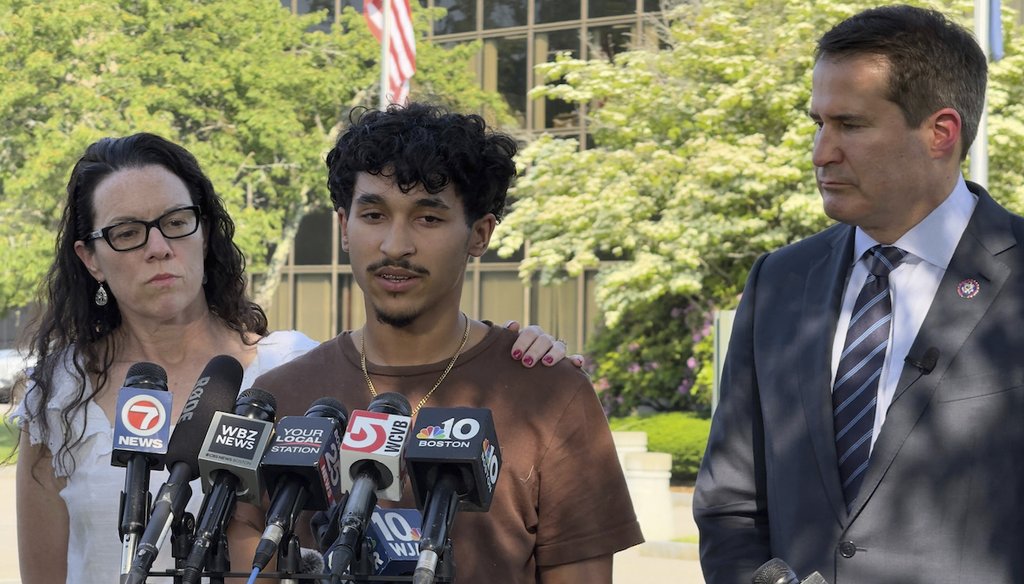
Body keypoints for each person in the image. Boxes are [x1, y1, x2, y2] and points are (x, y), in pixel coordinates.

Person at [10, 132, 571, 584]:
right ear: (92, 259)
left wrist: (512, 353)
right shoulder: (57, 397)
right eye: (128, 233)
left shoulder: (294, 367)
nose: (159, 247)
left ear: (205, 229)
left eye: (176, 222)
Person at [693, 5, 1024, 583]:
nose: (821, 152)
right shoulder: (779, 281)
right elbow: (731, 503)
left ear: (940, 133)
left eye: (850, 125)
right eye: (818, 123)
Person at [251, 103, 644, 583]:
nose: (395, 245)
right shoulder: (281, 398)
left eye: (428, 219)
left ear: (479, 234)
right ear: (344, 228)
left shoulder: (551, 395)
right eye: (373, 214)